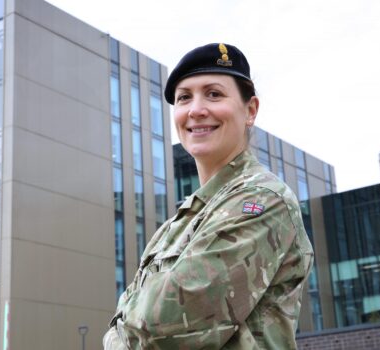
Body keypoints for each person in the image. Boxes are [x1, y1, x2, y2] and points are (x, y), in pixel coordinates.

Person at [103, 43, 313, 349]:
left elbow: (159, 326)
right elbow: (121, 322)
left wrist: (121, 334)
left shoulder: (263, 201)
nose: (196, 110)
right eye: (184, 97)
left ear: (250, 110)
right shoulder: (182, 219)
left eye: (214, 94)